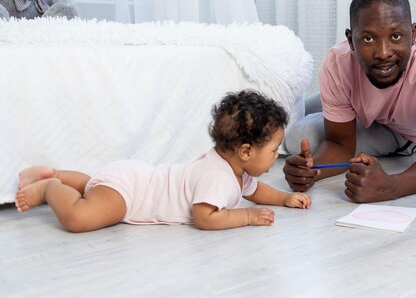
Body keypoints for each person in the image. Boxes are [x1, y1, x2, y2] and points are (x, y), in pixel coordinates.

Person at [15, 90, 311, 232]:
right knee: (79, 218)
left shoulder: (235, 170)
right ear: (245, 151)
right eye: (273, 150)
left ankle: (61, 175)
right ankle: (49, 187)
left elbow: (256, 191)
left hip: (133, 178)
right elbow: (205, 217)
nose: (276, 155)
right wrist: (247, 217)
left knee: (95, 188)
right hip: (131, 193)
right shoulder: (217, 176)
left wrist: (285, 198)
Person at [283, 0, 416, 203]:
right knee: (294, 119)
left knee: (299, 135)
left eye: (397, 36)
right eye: (368, 39)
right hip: (361, 107)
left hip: (402, 132)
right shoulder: (338, 62)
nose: (383, 53)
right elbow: (340, 143)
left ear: (414, 34)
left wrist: (391, 186)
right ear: (351, 40)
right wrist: (311, 171)